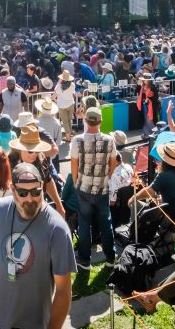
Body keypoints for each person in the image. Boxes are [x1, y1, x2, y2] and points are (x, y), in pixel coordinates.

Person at [0, 163, 76, 329]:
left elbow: (63, 292)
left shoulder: (57, 229)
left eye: (36, 192)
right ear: (12, 189)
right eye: (23, 193)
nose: (30, 199)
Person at [68, 106, 116, 270]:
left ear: (86, 121)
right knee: (105, 223)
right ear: (100, 121)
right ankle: (110, 257)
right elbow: (113, 162)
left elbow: (74, 164)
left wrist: (75, 182)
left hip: (84, 188)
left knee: (84, 224)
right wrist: (107, 177)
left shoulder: (77, 140)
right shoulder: (109, 140)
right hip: (102, 188)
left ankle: (85, 260)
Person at [128, 142, 175, 217]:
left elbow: (149, 192)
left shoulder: (164, 175)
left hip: (173, 219)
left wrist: (133, 198)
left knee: (138, 208)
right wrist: (162, 198)